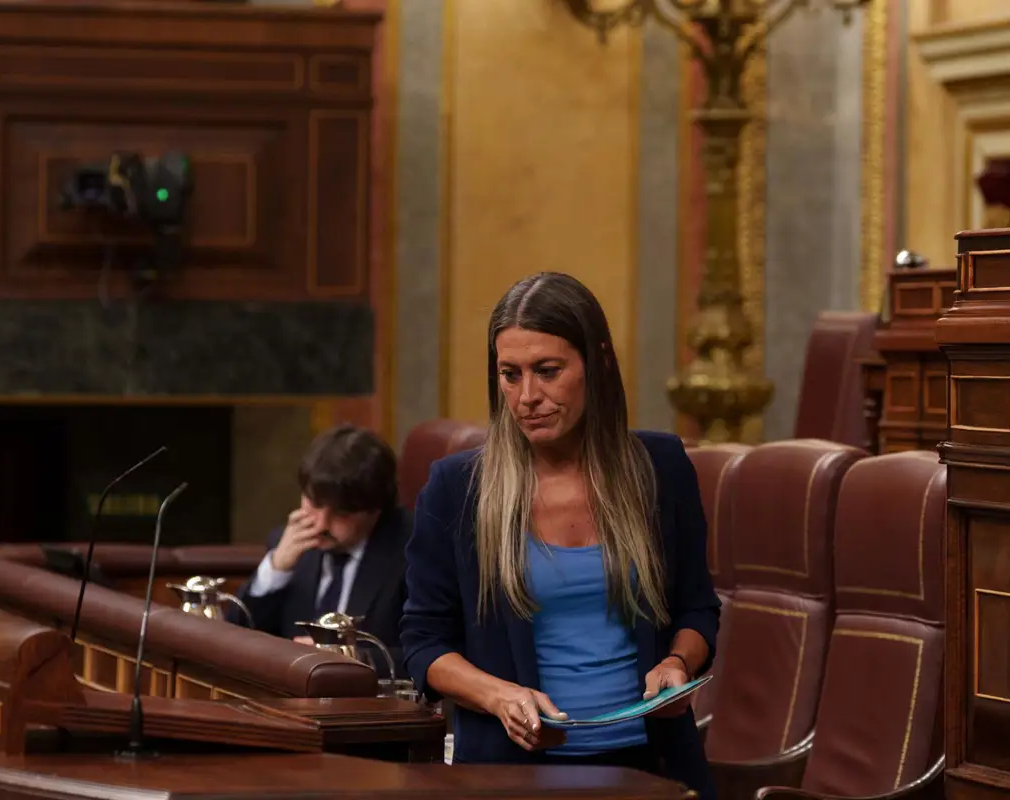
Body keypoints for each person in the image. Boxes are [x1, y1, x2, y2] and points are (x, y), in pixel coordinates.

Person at [400, 272, 721, 796]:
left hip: (652, 768)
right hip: (510, 775)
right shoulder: (458, 488)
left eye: (548, 371)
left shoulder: (660, 468)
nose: (527, 396)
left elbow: (697, 609)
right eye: (510, 375)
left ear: (596, 363)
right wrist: (499, 696)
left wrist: (677, 662)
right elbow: (423, 643)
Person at [234, 424, 409, 678]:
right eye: (314, 503)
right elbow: (237, 636)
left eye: (341, 513)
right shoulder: (289, 542)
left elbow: (428, 655)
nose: (321, 523)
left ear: (376, 509)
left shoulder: (412, 552)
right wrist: (275, 570)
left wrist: (353, 659)